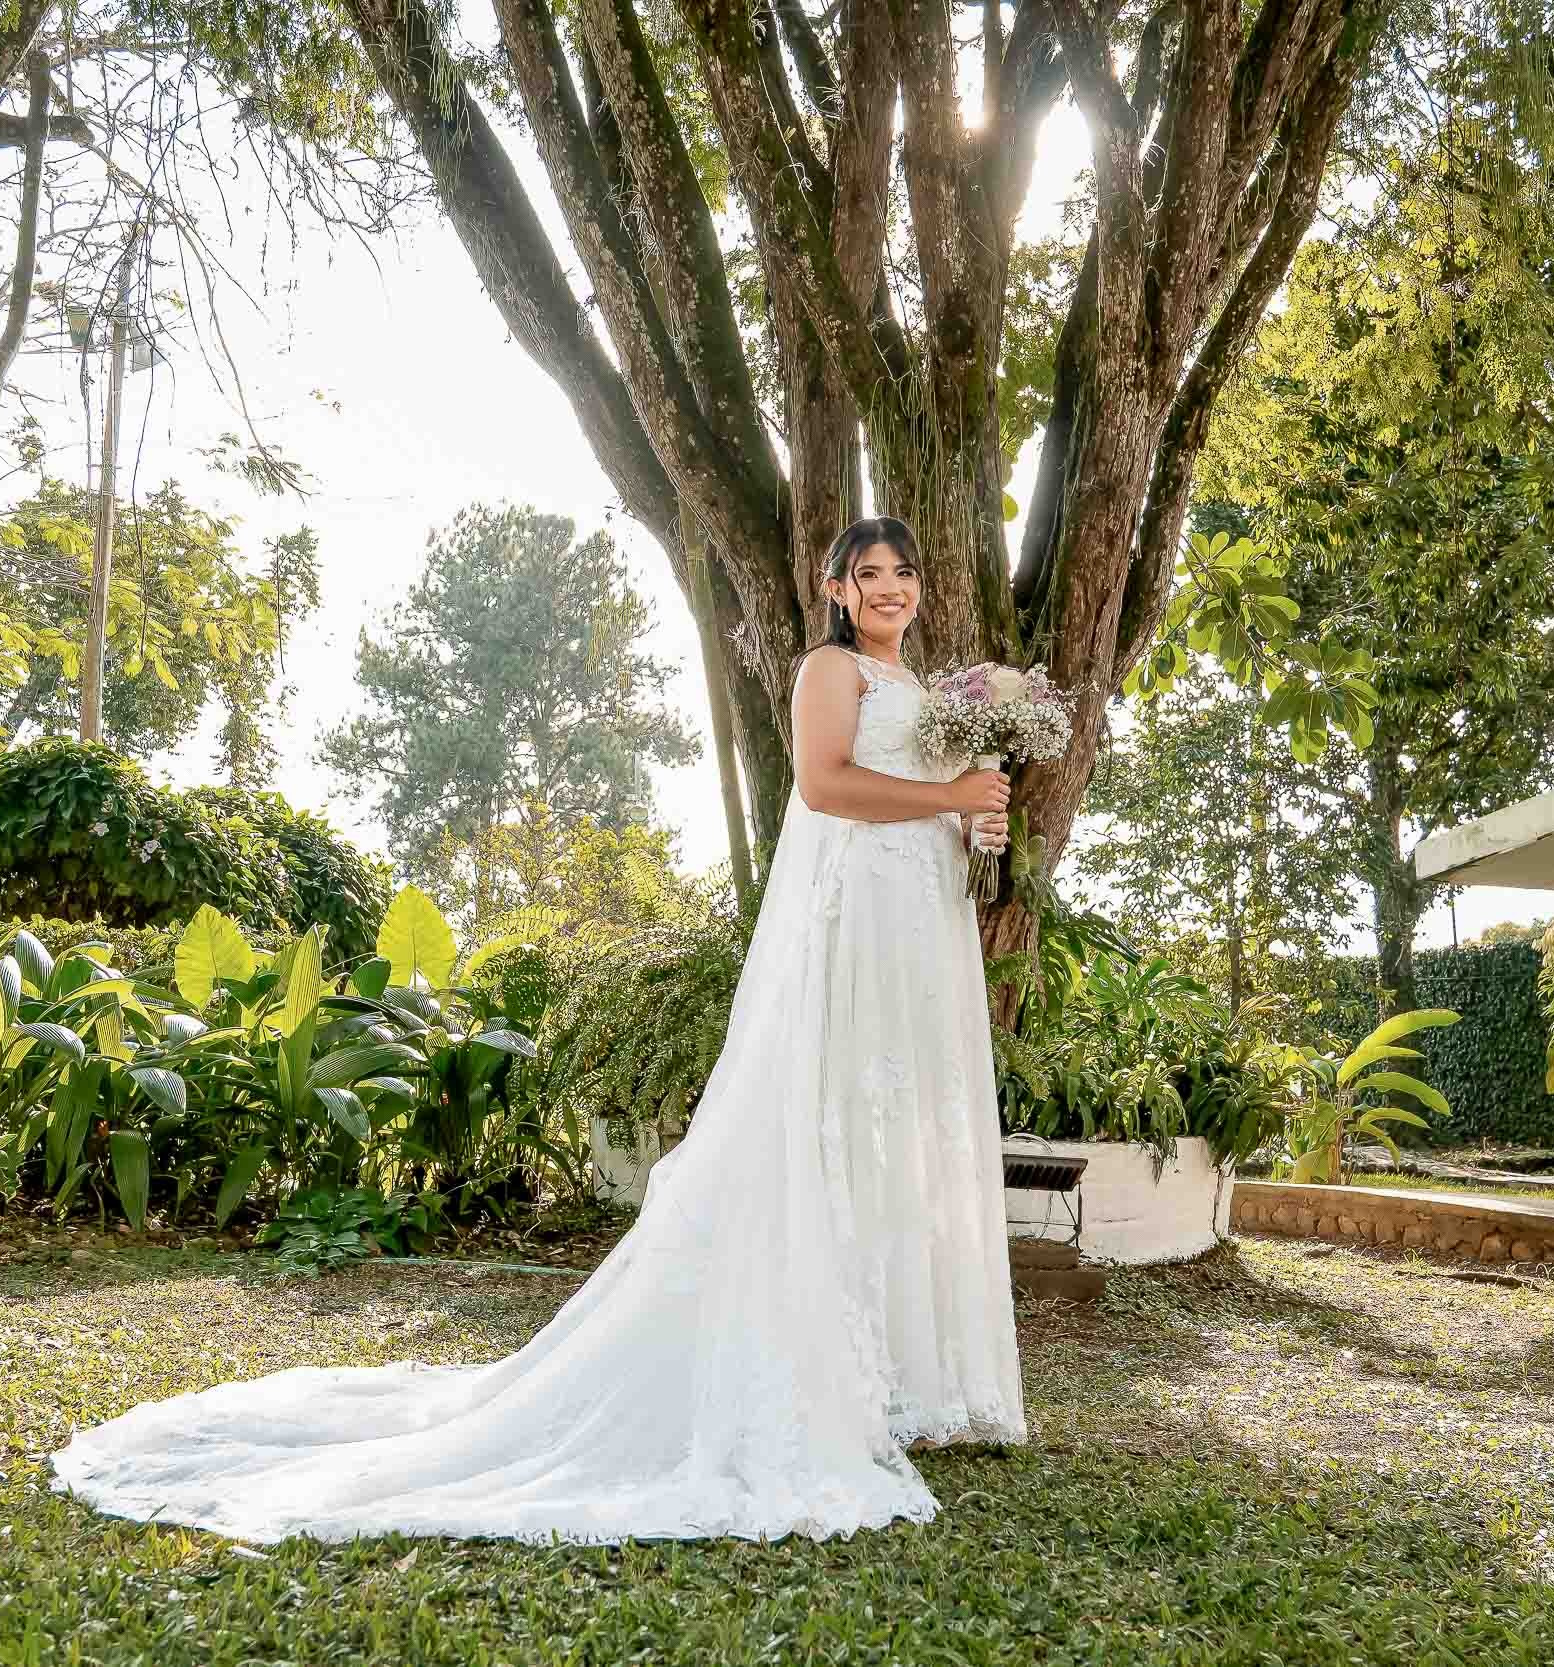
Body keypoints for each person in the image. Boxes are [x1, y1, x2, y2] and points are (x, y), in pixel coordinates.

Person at [52, 515, 1027, 1544]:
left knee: (892, 1137)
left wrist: (969, 816)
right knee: (825, 1122)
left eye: (903, 572)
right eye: (866, 573)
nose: (888, 588)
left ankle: (897, 1379)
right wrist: (948, 790)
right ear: (834, 589)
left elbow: (920, 801)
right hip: (851, 920)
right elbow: (825, 784)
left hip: (916, 920)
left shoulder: (928, 694)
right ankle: (809, 1371)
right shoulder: (831, 671)